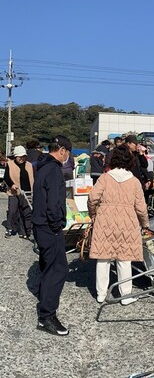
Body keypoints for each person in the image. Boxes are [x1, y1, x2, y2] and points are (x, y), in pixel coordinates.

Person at [88, 147, 150, 305]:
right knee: (124, 259)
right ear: (130, 161)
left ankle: (101, 294)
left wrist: (93, 214)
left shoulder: (104, 178)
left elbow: (92, 198)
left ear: (112, 159)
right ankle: (125, 295)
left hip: (105, 221)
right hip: (127, 222)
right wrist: (144, 224)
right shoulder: (134, 181)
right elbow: (141, 208)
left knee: (103, 258)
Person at [31, 135, 73, 336]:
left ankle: (44, 297)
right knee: (58, 269)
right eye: (68, 152)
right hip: (49, 227)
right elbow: (53, 204)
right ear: (62, 149)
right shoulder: (54, 169)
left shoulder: (41, 166)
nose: (67, 157)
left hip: (39, 225)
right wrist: (57, 225)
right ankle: (46, 316)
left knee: (48, 265)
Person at [5, 146, 34, 239]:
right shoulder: (10, 164)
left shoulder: (29, 165)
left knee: (26, 212)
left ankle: (25, 231)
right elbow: (6, 177)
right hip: (14, 191)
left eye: (24, 156)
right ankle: (9, 228)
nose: (22, 159)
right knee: (13, 211)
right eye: (20, 157)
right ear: (16, 157)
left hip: (27, 192)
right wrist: (12, 184)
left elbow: (33, 177)